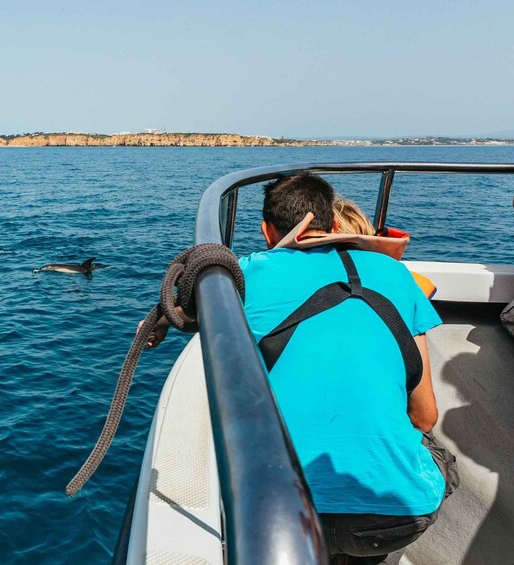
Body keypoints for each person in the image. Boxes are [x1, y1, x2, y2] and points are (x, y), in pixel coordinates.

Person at [147, 174, 455, 563]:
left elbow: (193, 300)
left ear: (266, 230)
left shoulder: (249, 275)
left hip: (287, 517)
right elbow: (425, 417)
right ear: (328, 221)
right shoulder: (397, 275)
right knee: (437, 458)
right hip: (396, 518)